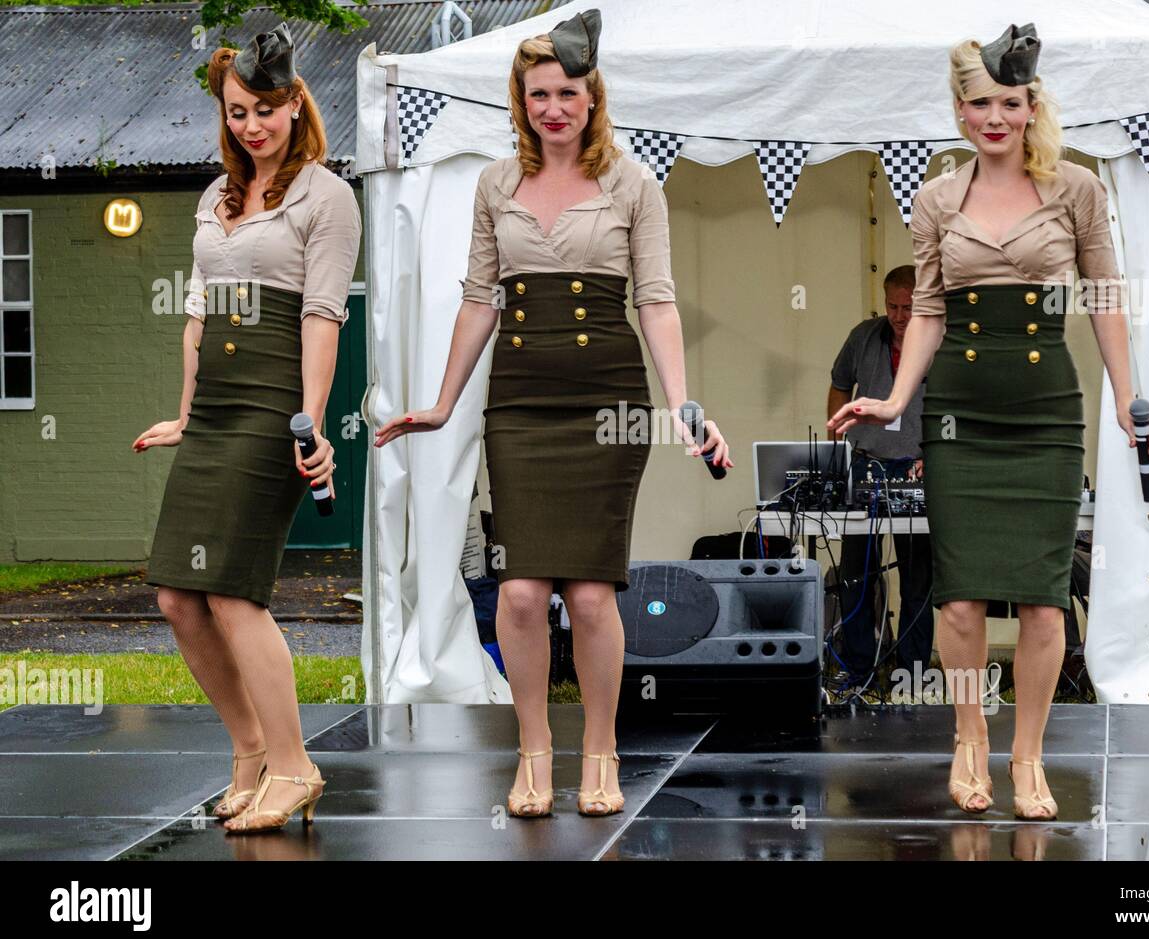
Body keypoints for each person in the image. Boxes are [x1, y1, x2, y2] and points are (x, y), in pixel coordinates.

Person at [374, 10, 734, 818]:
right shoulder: (495, 183)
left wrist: (682, 404)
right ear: (521, 100)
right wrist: (440, 401)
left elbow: (658, 301)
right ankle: (535, 749)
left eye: (567, 91)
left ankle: (599, 747)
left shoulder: (634, 184)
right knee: (523, 592)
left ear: (593, 96)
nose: (553, 107)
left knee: (595, 594)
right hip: (522, 402)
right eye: (538, 93)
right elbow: (477, 300)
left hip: (606, 399)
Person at [829, 23, 1149, 820]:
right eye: (980, 103)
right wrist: (897, 398)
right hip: (961, 414)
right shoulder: (937, 198)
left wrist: (1127, 397)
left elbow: (1105, 296)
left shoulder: (1076, 188)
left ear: (1030, 105)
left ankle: (1030, 753)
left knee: (1046, 600)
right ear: (959, 109)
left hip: (1046, 407)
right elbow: (932, 311)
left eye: (1010, 102)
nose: (995, 117)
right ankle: (971, 736)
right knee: (959, 599)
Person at [134, 23, 361, 833]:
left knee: (232, 592)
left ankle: (296, 766)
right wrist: (187, 415)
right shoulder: (216, 197)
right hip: (217, 408)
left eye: (266, 109)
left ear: (296, 104)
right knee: (176, 594)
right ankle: (251, 747)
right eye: (237, 113)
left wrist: (313, 424)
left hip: (272, 404)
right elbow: (197, 315)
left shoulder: (326, 197)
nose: (252, 126)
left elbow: (324, 317)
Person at [826, 265, 933, 685]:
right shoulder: (863, 336)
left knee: (917, 576)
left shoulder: (938, 340)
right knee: (857, 572)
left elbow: (954, 403)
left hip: (916, 466)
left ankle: (914, 670)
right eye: (893, 306)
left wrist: (935, 453)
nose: (901, 315)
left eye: (909, 307)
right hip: (865, 461)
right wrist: (837, 433)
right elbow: (839, 383)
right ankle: (858, 667)